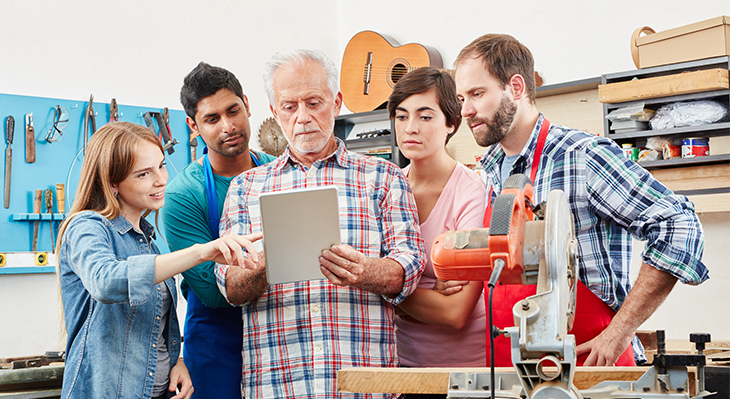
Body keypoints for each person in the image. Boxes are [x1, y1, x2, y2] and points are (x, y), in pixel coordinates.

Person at [453, 33, 709, 367]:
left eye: (476, 94)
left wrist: (619, 333)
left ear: (516, 88)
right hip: (510, 366)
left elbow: (679, 226)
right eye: (460, 99)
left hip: (588, 367)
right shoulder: (486, 172)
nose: (466, 111)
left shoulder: (582, 156)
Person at [214, 49, 425, 399]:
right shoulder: (245, 188)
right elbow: (230, 286)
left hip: (366, 385)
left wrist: (365, 271)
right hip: (278, 385)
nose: (303, 118)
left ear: (337, 102)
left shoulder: (383, 177)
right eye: (289, 107)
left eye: (314, 102)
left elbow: (412, 267)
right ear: (274, 112)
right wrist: (269, 264)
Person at [57, 122, 261, 399]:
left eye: (162, 166)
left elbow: (151, 326)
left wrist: (175, 361)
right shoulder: (86, 226)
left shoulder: (147, 242)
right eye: (144, 174)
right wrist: (199, 252)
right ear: (112, 182)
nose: (161, 179)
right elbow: (105, 281)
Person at [160, 62, 276, 399]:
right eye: (212, 119)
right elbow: (212, 291)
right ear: (193, 126)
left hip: (277, 335)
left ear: (248, 105)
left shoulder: (279, 172)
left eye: (233, 110)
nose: (229, 126)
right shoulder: (184, 195)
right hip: (216, 346)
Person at [386, 67, 487, 377]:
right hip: (404, 368)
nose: (410, 128)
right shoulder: (386, 188)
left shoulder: (471, 190)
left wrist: (388, 289)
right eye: (401, 116)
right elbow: (365, 287)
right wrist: (424, 293)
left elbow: (456, 311)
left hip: (469, 370)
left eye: (425, 116)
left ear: (451, 123)